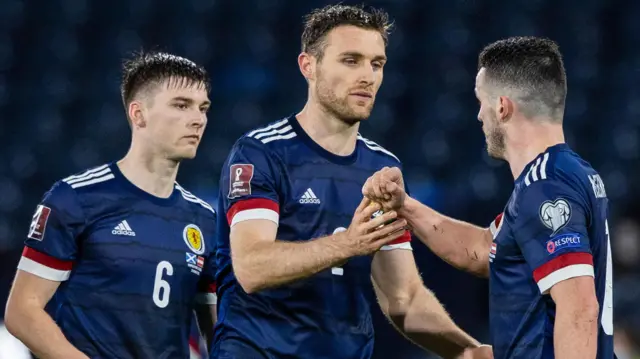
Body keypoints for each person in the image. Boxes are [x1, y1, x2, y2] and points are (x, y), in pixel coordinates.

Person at [211, 4, 491, 359]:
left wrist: (467, 351)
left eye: (377, 64)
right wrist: (348, 244)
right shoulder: (261, 153)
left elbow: (403, 297)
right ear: (307, 66)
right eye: (350, 60)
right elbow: (252, 267)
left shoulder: (381, 167)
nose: (368, 76)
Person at [363, 36, 616, 359]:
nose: (479, 115)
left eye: (480, 100)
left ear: (502, 106)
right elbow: (484, 250)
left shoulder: (546, 187)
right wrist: (406, 206)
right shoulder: (566, 173)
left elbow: (579, 309)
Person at [4, 51, 218, 359]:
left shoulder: (205, 219)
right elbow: (22, 312)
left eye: (203, 108)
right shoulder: (75, 199)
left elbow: (220, 333)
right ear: (138, 114)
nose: (198, 119)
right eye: (181, 105)